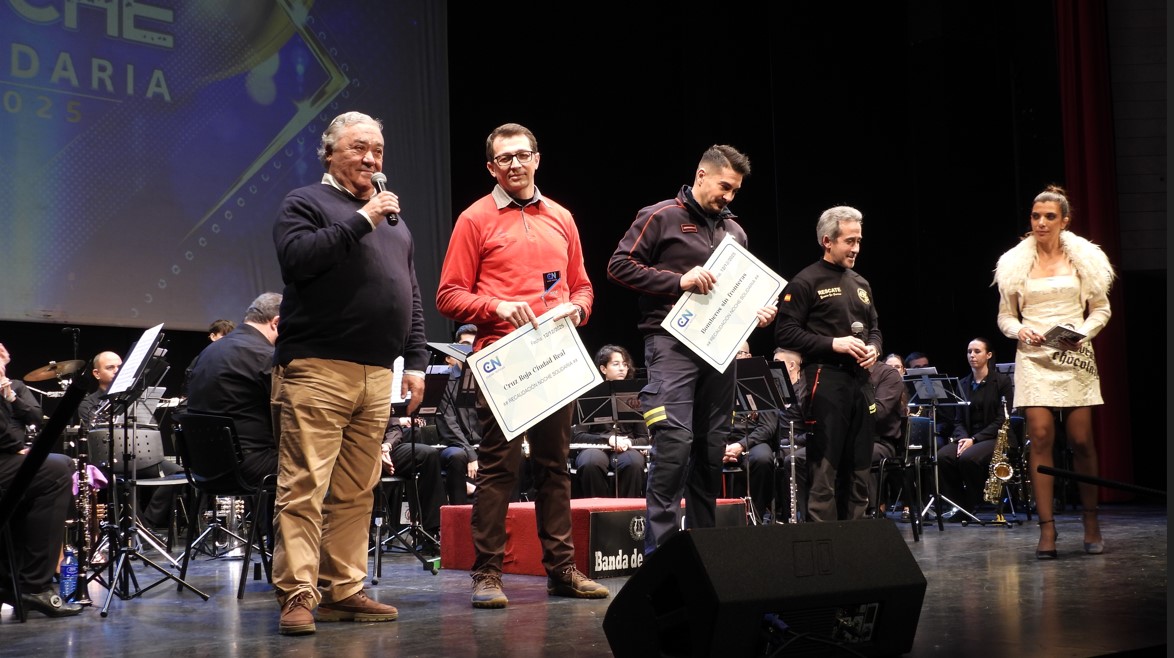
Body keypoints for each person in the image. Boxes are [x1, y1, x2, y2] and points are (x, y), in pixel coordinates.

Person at [435, 122, 607, 608]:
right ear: (492, 167)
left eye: (521, 155)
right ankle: (487, 573)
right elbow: (448, 295)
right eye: (503, 158)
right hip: (504, 360)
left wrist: (579, 308)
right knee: (498, 470)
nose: (514, 164)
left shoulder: (562, 217)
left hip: (554, 357)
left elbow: (583, 286)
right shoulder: (475, 219)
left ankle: (562, 570)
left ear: (537, 159)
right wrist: (496, 307)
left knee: (555, 467)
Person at [270, 110, 428, 634]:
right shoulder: (306, 203)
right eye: (360, 148)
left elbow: (410, 291)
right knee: (305, 487)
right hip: (318, 366)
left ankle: (344, 590)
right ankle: (297, 594)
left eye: (378, 150)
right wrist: (362, 218)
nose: (371, 159)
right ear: (330, 153)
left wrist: (418, 359)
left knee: (358, 490)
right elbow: (298, 259)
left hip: (378, 372)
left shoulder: (393, 223)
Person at [607, 144, 776, 553]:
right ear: (701, 175)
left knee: (710, 449)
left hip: (720, 350)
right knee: (673, 446)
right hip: (671, 345)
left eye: (735, 191)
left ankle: (706, 554)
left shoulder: (736, 231)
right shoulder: (660, 215)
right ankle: (660, 556)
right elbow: (619, 266)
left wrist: (756, 311)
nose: (729, 197)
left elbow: (736, 291)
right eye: (724, 187)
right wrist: (678, 280)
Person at [994, 184, 1114, 559]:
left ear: (1065, 220)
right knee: (1041, 436)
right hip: (1034, 356)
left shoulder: (1085, 260)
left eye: (1049, 216)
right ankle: (1047, 529)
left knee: (1080, 440)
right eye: (1036, 216)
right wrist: (1019, 329)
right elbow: (1005, 317)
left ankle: (1090, 521)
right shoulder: (1015, 263)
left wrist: (1083, 331)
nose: (1041, 223)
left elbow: (1101, 309)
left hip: (1074, 355)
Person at [775, 205, 880, 522]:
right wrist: (833, 343)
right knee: (826, 468)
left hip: (861, 383)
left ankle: (857, 545)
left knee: (860, 467)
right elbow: (785, 332)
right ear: (827, 241)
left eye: (859, 240)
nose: (856, 248)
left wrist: (874, 348)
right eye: (850, 241)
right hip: (824, 380)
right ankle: (825, 546)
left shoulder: (861, 283)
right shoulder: (805, 281)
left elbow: (874, 328)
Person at [0, 341, 83, 617]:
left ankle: (11, 577)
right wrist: (16, 447)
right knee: (59, 469)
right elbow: (4, 434)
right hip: (6, 455)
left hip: (10, 455)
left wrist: (10, 396)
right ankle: (34, 585)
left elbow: (35, 416)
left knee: (45, 471)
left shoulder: (15, 387)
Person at [78, 350, 183, 533]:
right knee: (123, 482)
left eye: (120, 367)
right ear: (96, 373)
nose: (117, 371)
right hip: (110, 462)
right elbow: (95, 434)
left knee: (180, 474)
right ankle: (141, 531)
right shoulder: (88, 404)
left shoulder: (136, 399)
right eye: (110, 367)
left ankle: (147, 523)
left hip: (141, 458)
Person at [184, 293, 282, 486]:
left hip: (203, 467)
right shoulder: (265, 356)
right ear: (276, 322)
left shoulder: (207, 353)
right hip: (250, 466)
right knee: (330, 463)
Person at [933, 337, 1015, 520]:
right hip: (969, 437)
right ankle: (962, 507)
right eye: (969, 351)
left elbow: (1002, 419)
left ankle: (979, 502)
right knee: (943, 457)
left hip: (992, 436)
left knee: (968, 459)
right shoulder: (962, 383)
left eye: (977, 351)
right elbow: (958, 420)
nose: (972, 355)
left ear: (989, 355)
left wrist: (974, 439)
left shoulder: (1001, 382)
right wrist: (963, 438)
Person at [571, 345, 648, 498]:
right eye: (616, 364)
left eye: (625, 364)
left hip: (626, 448)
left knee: (633, 462)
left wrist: (629, 443)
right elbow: (578, 436)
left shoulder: (636, 395)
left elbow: (644, 437)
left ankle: (627, 516)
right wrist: (609, 439)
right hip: (595, 447)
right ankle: (595, 513)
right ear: (603, 369)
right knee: (590, 462)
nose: (622, 368)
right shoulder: (589, 394)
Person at [721, 343, 778, 523]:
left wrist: (741, 445)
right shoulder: (717, 381)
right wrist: (720, 448)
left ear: (748, 356)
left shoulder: (761, 381)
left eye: (737, 353)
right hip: (721, 440)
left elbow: (767, 427)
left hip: (751, 440)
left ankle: (758, 516)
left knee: (762, 458)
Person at [380, 417, 444, 550]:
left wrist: (387, 446)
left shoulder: (382, 400)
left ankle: (429, 533)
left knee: (429, 454)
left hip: (385, 447)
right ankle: (366, 534)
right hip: (360, 450)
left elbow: (393, 427)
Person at [434, 324, 479, 504]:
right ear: (455, 348)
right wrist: (471, 454)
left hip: (481, 444)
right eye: (465, 344)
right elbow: (449, 425)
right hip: (454, 445)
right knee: (457, 456)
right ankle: (458, 517)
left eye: (473, 345)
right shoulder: (443, 379)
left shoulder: (486, 377)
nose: (469, 350)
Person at [772, 348, 809, 523]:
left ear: (792, 365)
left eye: (777, 362)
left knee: (787, 458)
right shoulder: (775, 390)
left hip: (800, 442)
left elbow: (811, 431)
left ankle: (795, 516)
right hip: (779, 442)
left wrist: (789, 442)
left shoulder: (803, 391)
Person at [868, 359, 907, 516]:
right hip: (857, 439)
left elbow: (879, 412)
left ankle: (873, 509)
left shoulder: (888, 376)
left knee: (862, 453)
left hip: (882, 441)